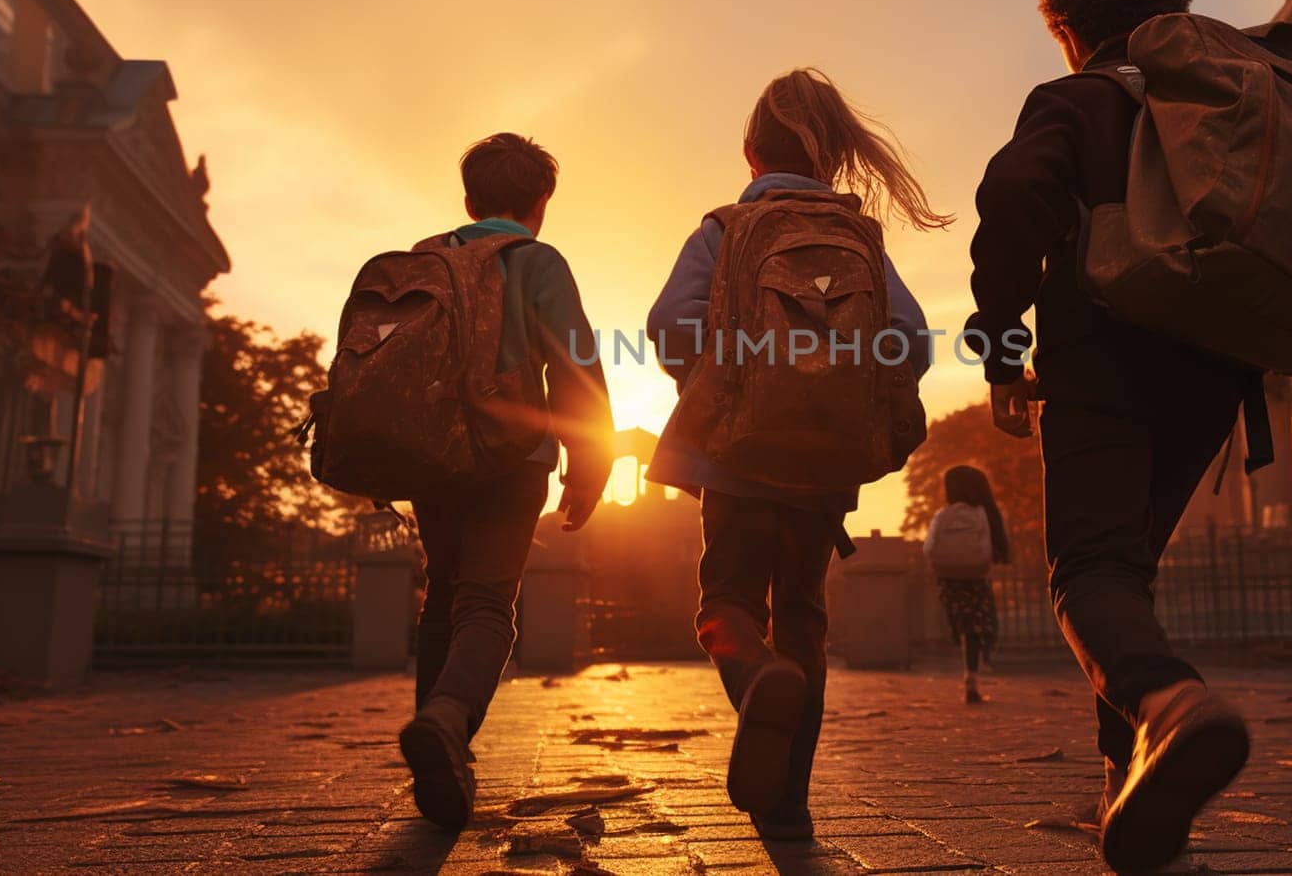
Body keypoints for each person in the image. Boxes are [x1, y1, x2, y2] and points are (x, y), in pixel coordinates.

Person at [966, 0, 1252, 872]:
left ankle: (1171, 704)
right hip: (1216, 370)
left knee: (1087, 572)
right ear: (1173, 5)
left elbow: (1014, 199)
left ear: (1067, 28)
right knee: (1126, 570)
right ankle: (1122, 786)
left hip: (1103, 361)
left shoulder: (1079, 100)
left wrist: (1003, 349)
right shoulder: (1228, 105)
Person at [647, 69, 945, 841]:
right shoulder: (860, 240)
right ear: (835, 160)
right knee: (804, 617)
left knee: (725, 605)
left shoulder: (726, 229)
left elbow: (670, 323)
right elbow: (910, 340)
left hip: (736, 466)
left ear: (750, 152)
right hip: (824, 476)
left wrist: (729, 385)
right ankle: (791, 803)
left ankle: (756, 677)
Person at [399, 133, 614, 830]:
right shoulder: (537, 261)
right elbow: (577, 366)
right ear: (540, 204)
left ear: (468, 200)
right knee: (489, 605)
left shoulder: (427, 258)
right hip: (512, 460)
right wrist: (590, 466)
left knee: (443, 599)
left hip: (432, 461)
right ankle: (447, 720)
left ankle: (442, 754)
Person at [922, 465, 1011, 703]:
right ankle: (974, 672)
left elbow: (928, 548)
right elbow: (994, 546)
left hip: (949, 581)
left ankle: (957, 637)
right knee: (979, 626)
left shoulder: (943, 515)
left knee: (961, 626)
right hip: (976, 579)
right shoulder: (984, 513)